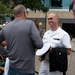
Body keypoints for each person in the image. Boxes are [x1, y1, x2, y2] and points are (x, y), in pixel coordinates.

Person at [0, 4, 43, 75]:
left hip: (12, 67)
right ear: (24, 13)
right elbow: (40, 45)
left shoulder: (6, 27)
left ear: (14, 15)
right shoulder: (30, 24)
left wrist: (6, 54)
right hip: (27, 69)